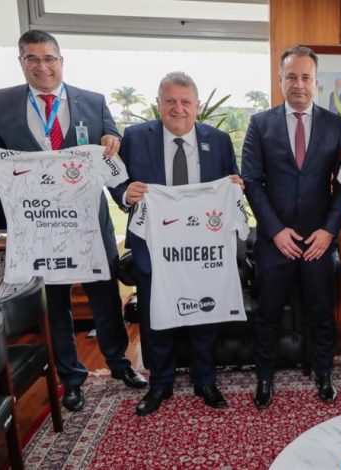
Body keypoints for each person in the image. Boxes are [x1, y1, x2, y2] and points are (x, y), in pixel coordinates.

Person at [0, 29, 146, 412]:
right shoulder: (0, 103)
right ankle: (72, 378)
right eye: (32, 58)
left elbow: (110, 147)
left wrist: (111, 143)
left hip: (89, 222)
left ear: (61, 61)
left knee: (105, 296)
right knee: (56, 304)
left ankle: (119, 364)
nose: (42, 66)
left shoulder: (93, 102)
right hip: (39, 225)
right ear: (21, 62)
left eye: (49, 58)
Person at [111, 71, 241, 416]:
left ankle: (205, 381)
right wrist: (124, 193)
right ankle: (160, 383)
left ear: (197, 105)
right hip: (153, 248)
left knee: (205, 317)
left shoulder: (219, 140)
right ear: (159, 103)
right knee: (156, 317)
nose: (178, 108)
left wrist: (235, 186)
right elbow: (116, 180)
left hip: (203, 249)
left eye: (185, 102)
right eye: (170, 101)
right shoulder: (135, 137)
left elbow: (233, 179)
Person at [242, 45, 341, 409]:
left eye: (306, 77)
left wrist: (329, 231)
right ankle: (264, 378)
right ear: (280, 80)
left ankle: (324, 374)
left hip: (319, 241)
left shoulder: (335, 125)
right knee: (267, 315)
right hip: (275, 242)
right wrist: (275, 231)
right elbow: (252, 182)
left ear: (317, 82)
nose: (299, 84)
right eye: (292, 77)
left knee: (322, 314)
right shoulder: (260, 124)